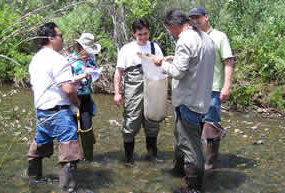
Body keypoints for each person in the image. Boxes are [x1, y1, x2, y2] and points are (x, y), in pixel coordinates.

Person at [151, 9, 216, 193]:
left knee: (191, 146)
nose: (170, 33)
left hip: (188, 101)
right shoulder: (205, 37)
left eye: (169, 30)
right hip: (202, 99)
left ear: (173, 26)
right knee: (183, 139)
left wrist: (161, 63)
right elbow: (195, 64)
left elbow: (178, 72)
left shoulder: (185, 39)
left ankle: (194, 187)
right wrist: (175, 59)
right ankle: (180, 171)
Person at [27, 22, 82, 193]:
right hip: (59, 112)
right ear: (51, 38)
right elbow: (67, 88)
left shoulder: (35, 59)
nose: (62, 38)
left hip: (41, 112)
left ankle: (33, 180)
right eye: (60, 35)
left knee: (39, 148)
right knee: (69, 153)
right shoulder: (58, 59)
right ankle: (68, 189)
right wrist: (77, 102)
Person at [113, 18, 165, 167]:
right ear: (134, 34)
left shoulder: (155, 47)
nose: (143, 37)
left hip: (152, 88)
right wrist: (117, 93)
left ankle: (152, 157)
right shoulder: (126, 49)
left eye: (146, 34)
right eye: (139, 34)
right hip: (132, 89)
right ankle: (129, 160)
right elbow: (119, 72)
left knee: (152, 122)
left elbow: (163, 68)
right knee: (130, 122)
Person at [189, 6, 235, 171]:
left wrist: (226, 86)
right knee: (195, 127)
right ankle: (198, 162)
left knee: (211, 127)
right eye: (192, 18)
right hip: (193, 90)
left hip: (213, 89)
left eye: (198, 17)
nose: (195, 20)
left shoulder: (219, 36)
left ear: (206, 17)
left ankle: (210, 166)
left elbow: (228, 61)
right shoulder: (191, 37)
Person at [68, 32, 101, 161]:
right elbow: (67, 81)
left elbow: (94, 73)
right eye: (86, 50)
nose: (88, 53)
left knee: (87, 129)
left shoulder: (91, 59)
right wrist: (83, 75)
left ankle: (89, 158)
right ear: (79, 47)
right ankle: (73, 160)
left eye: (89, 51)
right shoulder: (69, 61)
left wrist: (94, 74)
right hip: (73, 99)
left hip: (86, 98)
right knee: (73, 131)